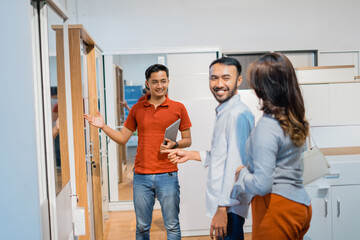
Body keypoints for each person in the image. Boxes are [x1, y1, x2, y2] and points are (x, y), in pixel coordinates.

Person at [84, 64, 192, 240]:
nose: (159, 86)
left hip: (168, 175)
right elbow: (122, 138)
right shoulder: (137, 109)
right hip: (141, 176)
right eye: (155, 82)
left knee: (172, 225)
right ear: (147, 83)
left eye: (163, 81)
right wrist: (103, 126)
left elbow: (188, 140)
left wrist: (175, 144)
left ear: (168, 81)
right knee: (142, 227)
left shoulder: (178, 108)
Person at [165, 57, 254, 240]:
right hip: (225, 205)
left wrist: (222, 208)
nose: (219, 84)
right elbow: (222, 156)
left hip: (229, 208)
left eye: (226, 78)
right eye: (214, 78)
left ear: (239, 80)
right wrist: (190, 154)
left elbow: (236, 165)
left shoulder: (237, 115)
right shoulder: (225, 112)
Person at [231, 53, 312, 240]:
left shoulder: (267, 127)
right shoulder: (293, 118)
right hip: (300, 205)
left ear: (263, 88)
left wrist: (241, 174)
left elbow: (262, 185)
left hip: (277, 207)